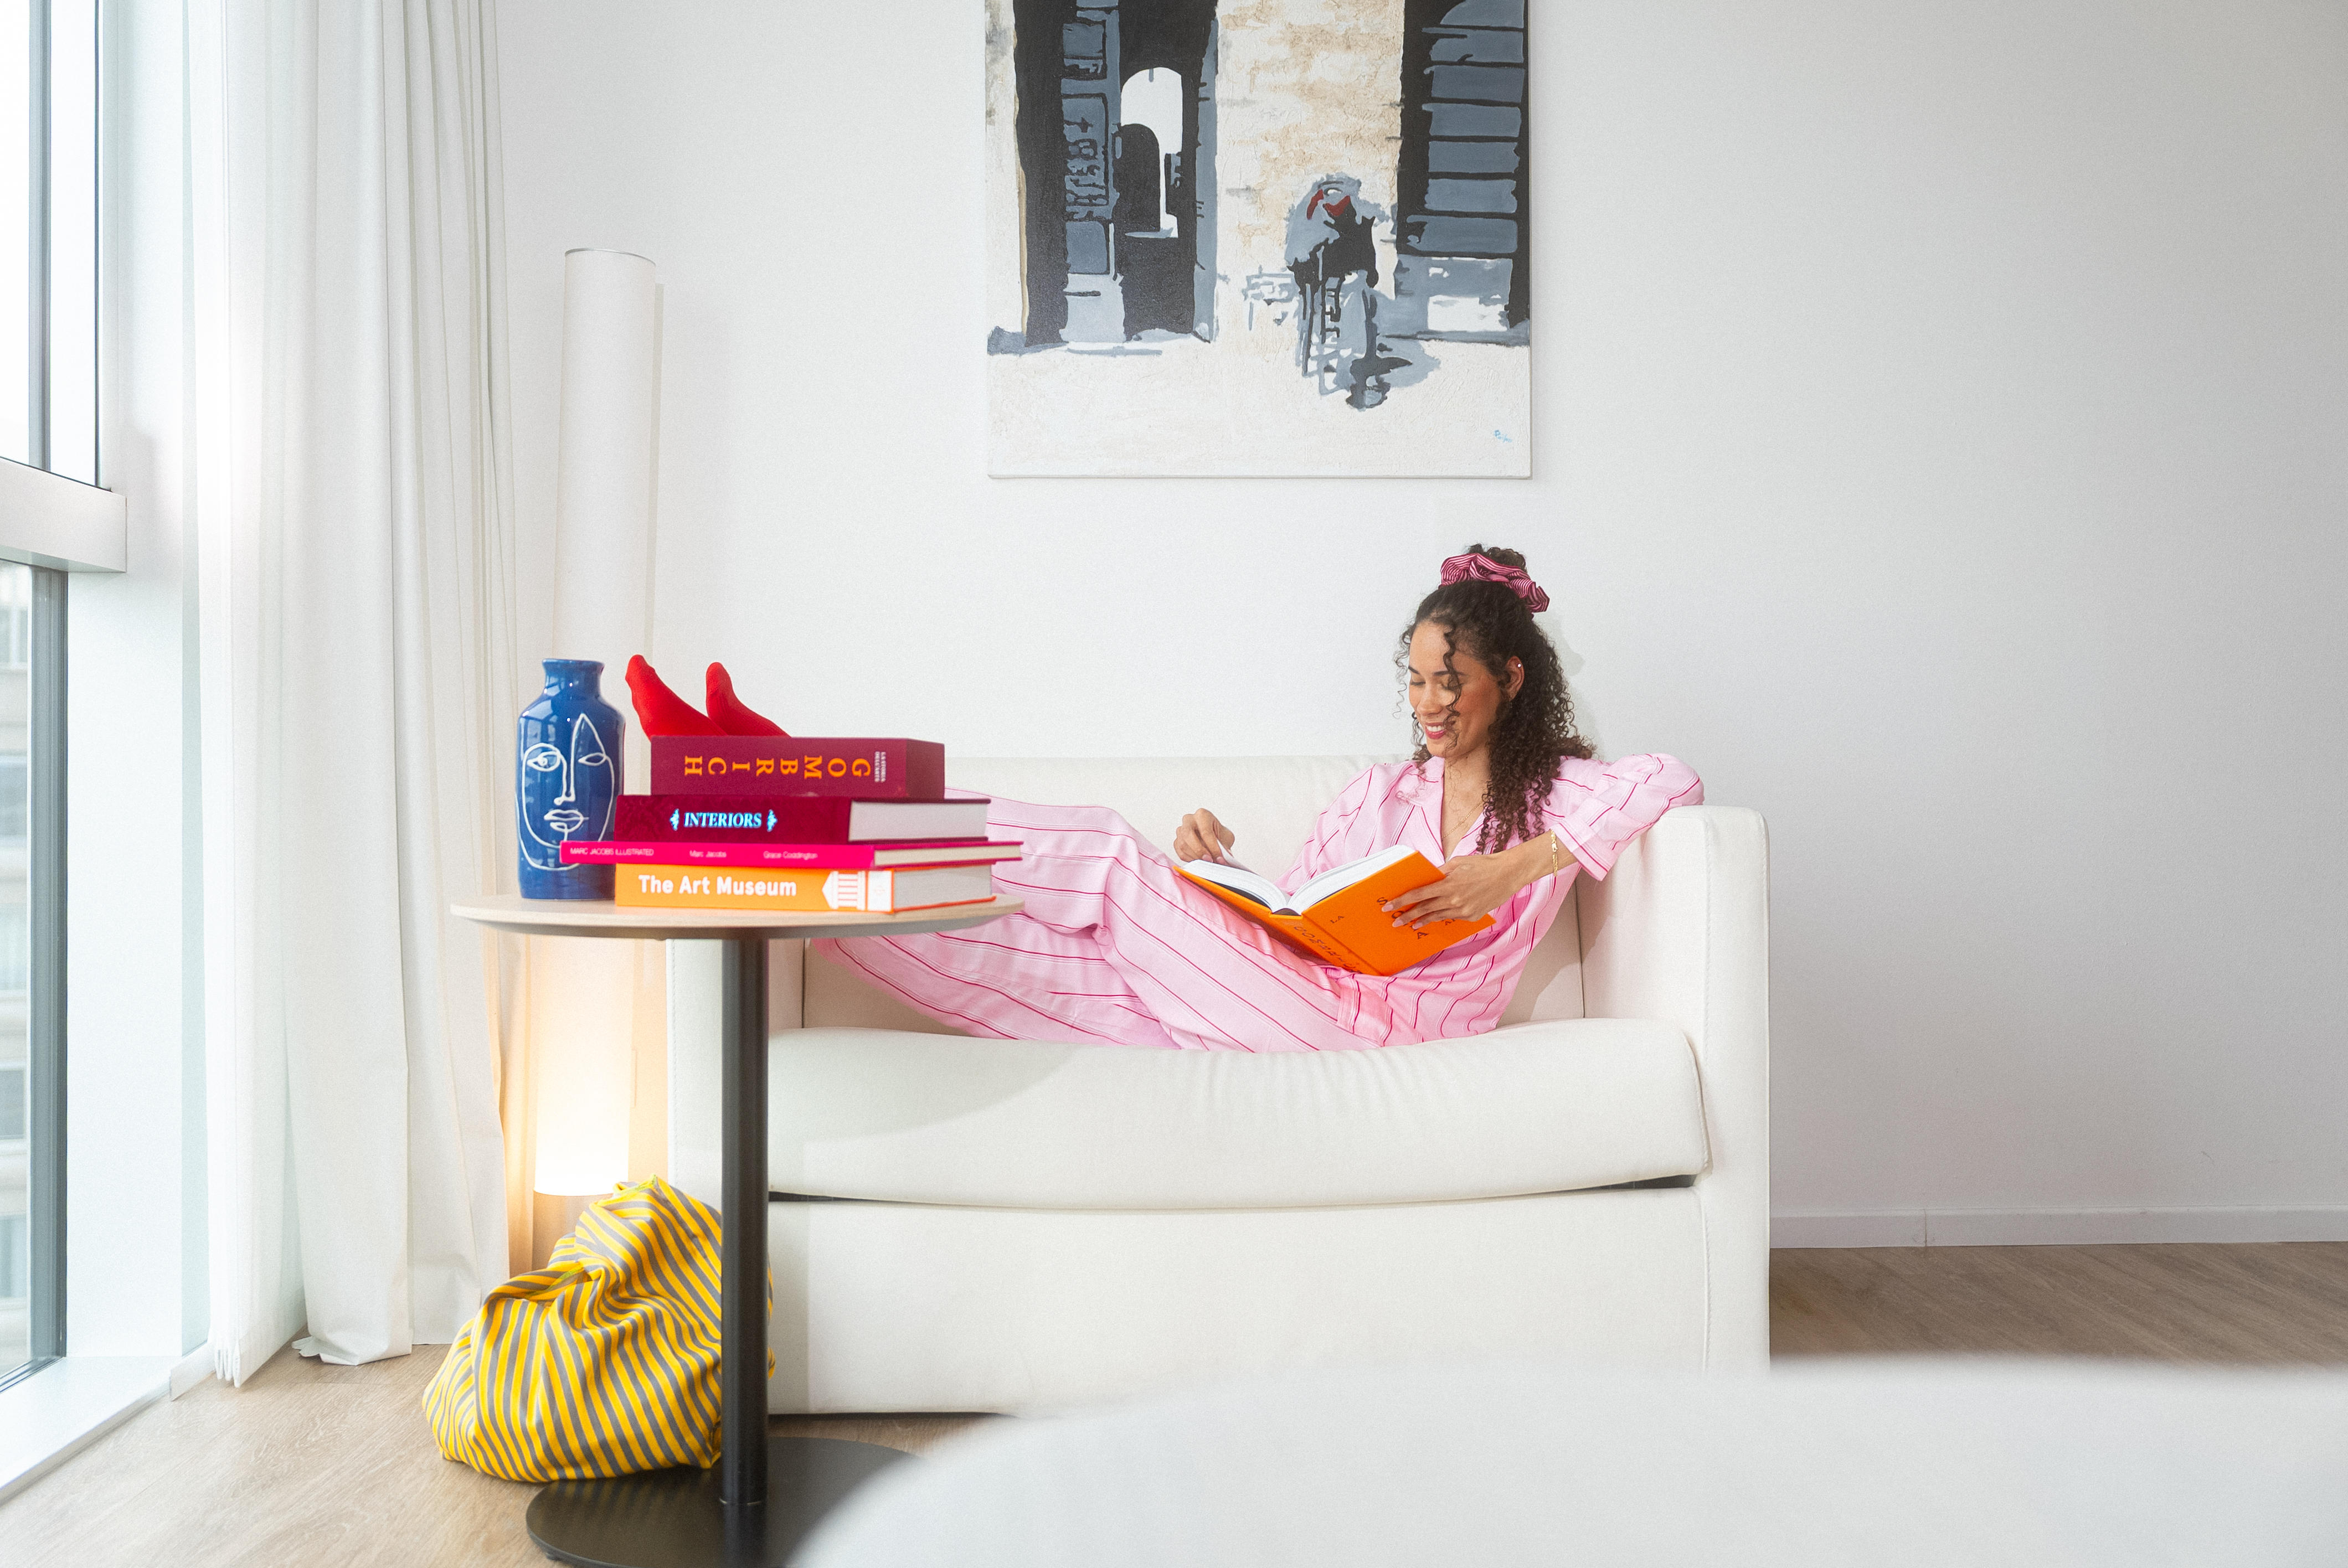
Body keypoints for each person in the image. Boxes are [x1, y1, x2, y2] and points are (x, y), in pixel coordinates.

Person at [812, 547, 1701, 1053]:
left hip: (1378, 1037)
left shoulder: (1562, 796)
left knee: (1113, 856)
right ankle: (801, 873)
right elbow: (1299, 914)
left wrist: (1511, 870)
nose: (1428, 704)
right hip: (1289, 1001)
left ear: (1509, 679)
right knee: (1021, 963)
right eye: (1416, 680)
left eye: (1450, 681)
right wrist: (1223, 872)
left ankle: (845, 801)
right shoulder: (1380, 792)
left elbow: (1673, 776)